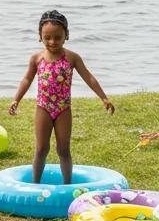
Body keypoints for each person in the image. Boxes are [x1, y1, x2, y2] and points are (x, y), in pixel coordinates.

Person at [8, 10, 115, 183]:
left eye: (58, 37)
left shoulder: (72, 58)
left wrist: (103, 97)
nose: (52, 42)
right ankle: (35, 183)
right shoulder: (37, 58)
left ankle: (67, 184)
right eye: (47, 37)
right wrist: (16, 100)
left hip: (63, 109)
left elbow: (88, 77)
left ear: (66, 35)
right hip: (43, 107)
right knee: (41, 148)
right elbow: (27, 79)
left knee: (63, 149)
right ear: (40, 36)